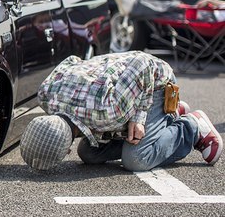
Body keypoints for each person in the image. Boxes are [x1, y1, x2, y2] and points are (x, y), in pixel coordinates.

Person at [20, 52, 222, 171]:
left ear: (65, 150)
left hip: (154, 80)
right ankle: (167, 116)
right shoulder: (46, 93)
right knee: (88, 153)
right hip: (121, 80)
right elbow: (72, 60)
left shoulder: (107, 112)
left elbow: (144, 63)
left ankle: (191, 127)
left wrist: (139, 116)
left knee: (136, 159)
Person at [112, 0, 225, 23]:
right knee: (171, 8)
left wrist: (210, 1)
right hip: (211, 16)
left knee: (173, 7)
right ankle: (133, 5)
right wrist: (210, 1)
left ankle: (133, 5)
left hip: (212, 19)